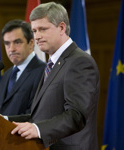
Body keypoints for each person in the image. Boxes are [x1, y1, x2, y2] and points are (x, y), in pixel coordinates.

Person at [7, 2, 100, 150]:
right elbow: (41, 116)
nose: (37, 36)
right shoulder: (52, 63)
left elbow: (76, 115)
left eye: (42, 29)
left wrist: (38, 129)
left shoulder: (79, 62)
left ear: (62, 27)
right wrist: (5, 119)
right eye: (34, 31)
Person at [0, 19, 46, 115]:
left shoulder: (43, 71)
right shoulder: (7, 74)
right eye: (7, 43)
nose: (11, 49)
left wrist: (6, 120)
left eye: (17, 42)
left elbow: (36, 114)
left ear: (31, 43)